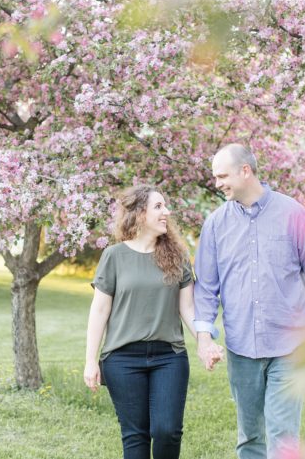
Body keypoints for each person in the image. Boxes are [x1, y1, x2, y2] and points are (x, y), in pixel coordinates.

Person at [194, 144, 305, 459]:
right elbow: (206, 288)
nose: (217, 183)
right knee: (249, 437)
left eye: (222, 176)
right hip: (241, 345)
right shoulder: (216, 225)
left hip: (291, 344)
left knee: (283, 434)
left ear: (245, 171)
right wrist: (204, 339)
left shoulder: (292, 213)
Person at [84, 184, 222, 459]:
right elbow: (99, 311)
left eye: (165, 206)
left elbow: (188, 307)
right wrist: (90, 361)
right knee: (135, 436)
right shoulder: (114, 256)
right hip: (122, 359)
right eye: (158, 207)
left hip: (168, 357)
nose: (166, 212)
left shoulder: (177, 256)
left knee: (167, 430)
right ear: (139, 213)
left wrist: (205, 344)